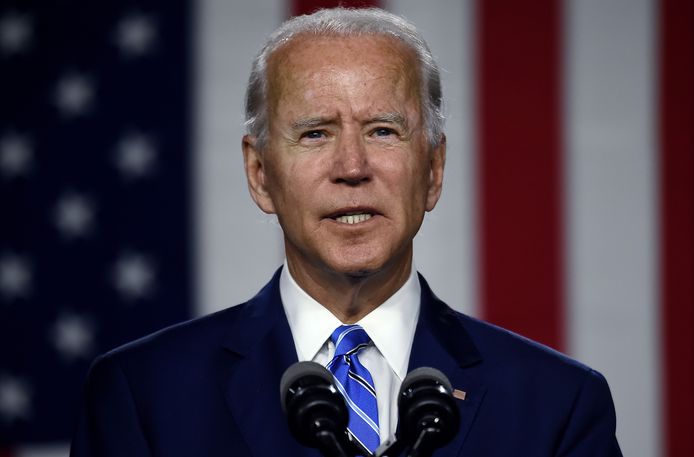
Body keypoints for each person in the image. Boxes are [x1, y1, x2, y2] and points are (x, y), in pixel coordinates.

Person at [71, 7, 622, 457]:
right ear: (260, 174)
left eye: (383, 131)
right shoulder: (142, 396)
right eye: (315, 134)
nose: (353, 166)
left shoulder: (558, 405)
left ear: (432, 171)